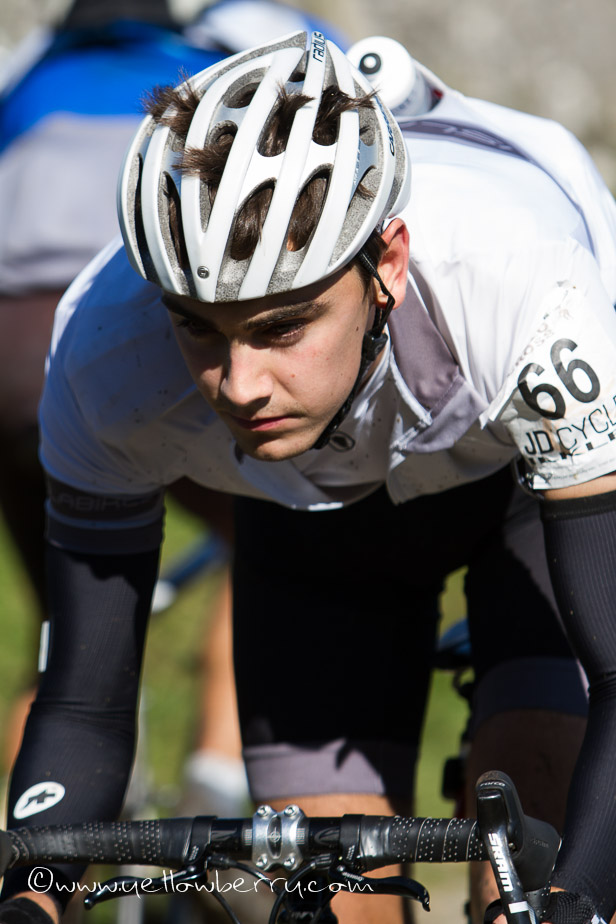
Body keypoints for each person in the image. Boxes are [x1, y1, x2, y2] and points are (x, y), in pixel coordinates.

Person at [1, 27, 616, 924]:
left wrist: (581, 898)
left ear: (386, 266)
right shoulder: (104, 348)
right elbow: (85, 702)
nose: (241, 385)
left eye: (283, 327)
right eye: (199, 327)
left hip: (525, 483)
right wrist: (31, 902)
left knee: (541, 819)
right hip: (305, 518)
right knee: (330, 886)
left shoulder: (521, 280)